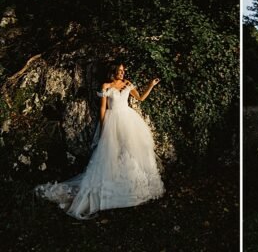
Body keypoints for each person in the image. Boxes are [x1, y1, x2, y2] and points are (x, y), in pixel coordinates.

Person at [35, 63, 165, 220]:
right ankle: (111, 186)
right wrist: (104, 127)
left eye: (123, 71)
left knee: (131, 150)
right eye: (119, 71)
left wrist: (151, 84)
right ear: (113, 72)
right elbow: (103, 108)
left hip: (128, 120)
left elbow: (141, 98)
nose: (122, 73)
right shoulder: (106, 86)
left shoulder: (128, 84)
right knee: (112, 153)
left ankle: (132, 184)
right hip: (113, 120)